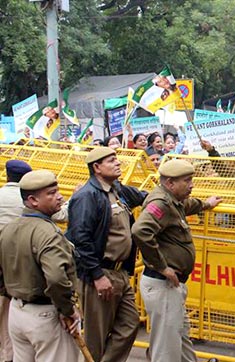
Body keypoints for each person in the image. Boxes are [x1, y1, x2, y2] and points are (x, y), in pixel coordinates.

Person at [132, 159, 222, 362]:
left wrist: (206, 204)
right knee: (167, 347)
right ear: (170, 183)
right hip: (162, 283)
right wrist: (162, 267)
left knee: (180, 340)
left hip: (171, 286)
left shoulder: (173, 199)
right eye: (187, 180)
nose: (192, 185)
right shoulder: (161, 203)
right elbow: (140, 231)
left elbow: (185, 206)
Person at [66, 147, 148, 362]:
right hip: (100, 274)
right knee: (96, 338)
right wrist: (97, 275)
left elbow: (148, 198)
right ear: (97, 167)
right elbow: (80, 240)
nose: (118, 163)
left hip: (120, 273)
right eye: (111, 160)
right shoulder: (87, 196)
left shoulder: (117, 190)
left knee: (130, 324)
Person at [0, 170, 81, 362]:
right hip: (45, 314)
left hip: (17, 312)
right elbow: (56, 278)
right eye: (51, 193)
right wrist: (68, 310)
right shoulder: (48, 233)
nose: (59, 196)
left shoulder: (9, 228)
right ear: (33, 200)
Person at [0, 160, 33, 362]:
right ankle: (8, 354)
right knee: (12, 308)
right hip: (19, 261)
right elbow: (62, 213)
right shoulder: (28, 199)